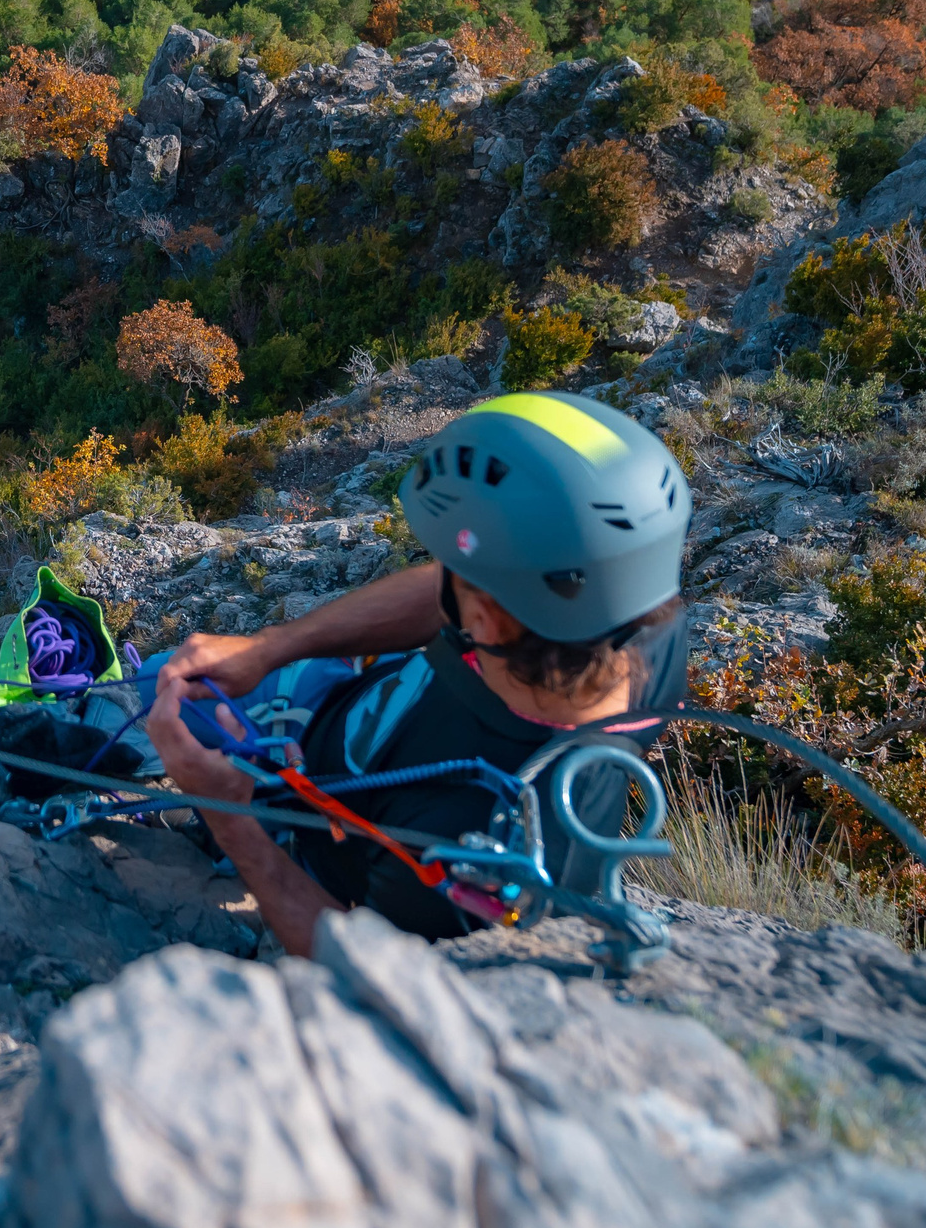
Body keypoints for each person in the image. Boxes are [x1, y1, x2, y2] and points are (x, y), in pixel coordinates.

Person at [145, 391, 692, 958]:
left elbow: (358, 961)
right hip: (359, 720)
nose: (440, 576)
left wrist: (228, 814)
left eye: (457, 573)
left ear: (483, 619)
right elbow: (456, 591)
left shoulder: (470, 843)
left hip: (308, 816)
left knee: (162, 691)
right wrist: (270, 646)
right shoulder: (638, 627)